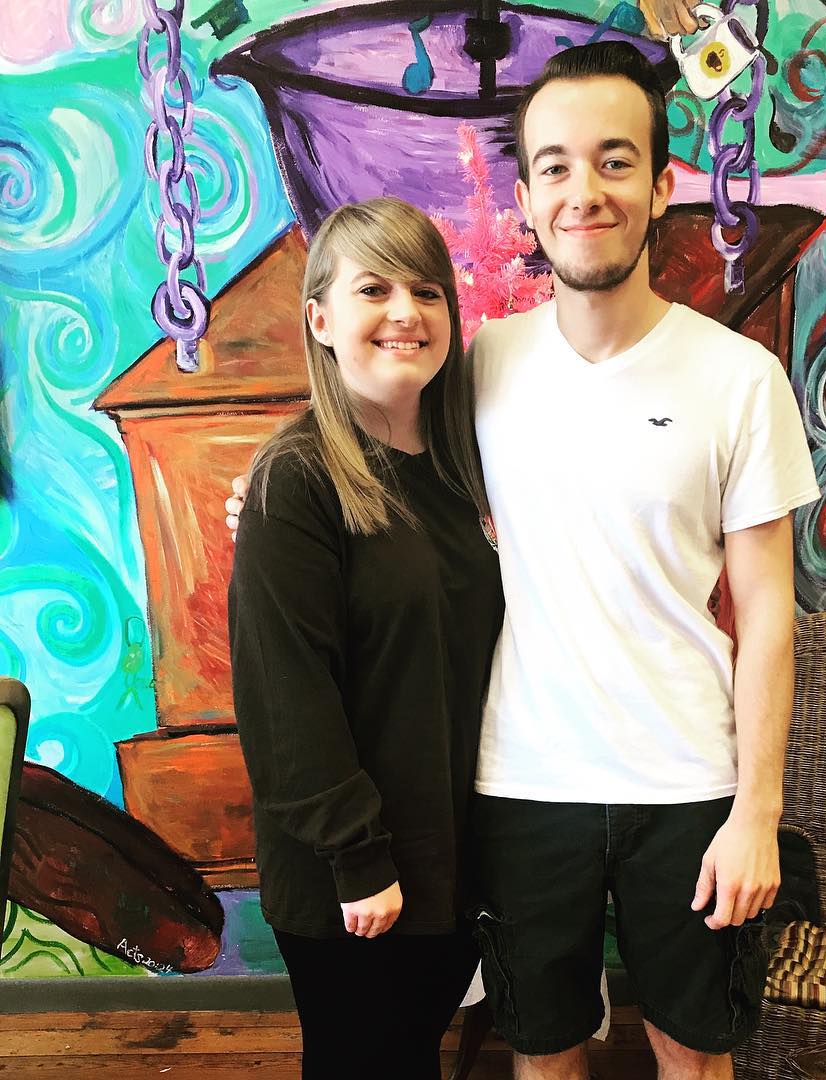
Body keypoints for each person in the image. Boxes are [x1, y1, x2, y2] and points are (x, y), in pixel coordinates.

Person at [228, 42, 819, 1080]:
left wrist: (757, 812)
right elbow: (365, 432)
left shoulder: (741, 378)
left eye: (615, 160)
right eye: (556, 165)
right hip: (517, 785)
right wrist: (268, 488)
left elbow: (769, 613)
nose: (585, 190)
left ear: (661, 184)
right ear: (528, 199)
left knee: (694, 1051)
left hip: (689, 778)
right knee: (542, 1051)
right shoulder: (481, 365)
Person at [227, 197, 504, 1079]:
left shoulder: (465, 467)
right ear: (320, 319)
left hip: (449, 856)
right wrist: (357, 856)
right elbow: (285, 697)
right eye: (374, 289)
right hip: (354, 871)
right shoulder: (297, 479)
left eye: (427, 291)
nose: (404, 312)